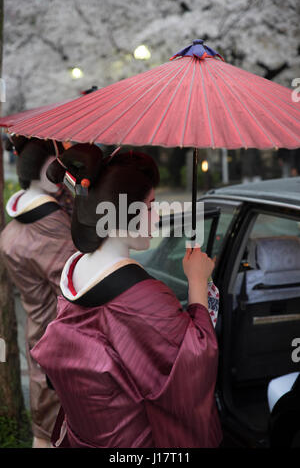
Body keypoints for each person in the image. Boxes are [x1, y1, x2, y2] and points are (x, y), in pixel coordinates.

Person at [30, 144, 223, 448]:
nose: (157, 216)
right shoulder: (144, 296)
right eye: (150, 205)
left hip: (85, 435)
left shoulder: (76, 269)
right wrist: (198, 281)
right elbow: (195, 362)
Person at [0, 136, 76, 448]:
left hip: (37, 332)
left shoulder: (14, 227)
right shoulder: (50, 226)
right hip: (61, 344)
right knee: (55, 433)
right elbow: (78, 285)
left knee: (44, 431)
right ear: (47, 169)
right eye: (58, 167)